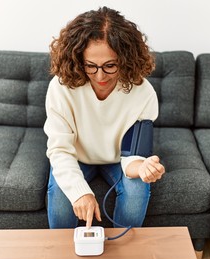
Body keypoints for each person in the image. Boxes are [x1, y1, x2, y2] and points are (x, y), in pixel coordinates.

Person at [44, 6, 165, 230]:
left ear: (126, 59)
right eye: (90, 66)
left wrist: (142, 168)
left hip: (120, 160)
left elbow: (133, 156)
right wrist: (80, 194)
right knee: (62, 195)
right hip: (76, 157)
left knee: (138, 189)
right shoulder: (61, 87)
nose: (100, 76)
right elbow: (60, 150)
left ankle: (124, 254)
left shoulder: (143, 92)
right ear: (77, 60)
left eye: (110, 66)